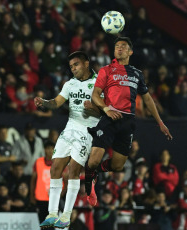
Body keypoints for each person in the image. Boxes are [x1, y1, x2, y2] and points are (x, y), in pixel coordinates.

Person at [84, 37, 172, 200]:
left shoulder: (137, 74)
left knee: (118, 165)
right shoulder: (106, 70)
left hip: (128, 121)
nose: (119, 48)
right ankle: (89, 174)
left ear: (130, 52)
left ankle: (95, 171)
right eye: (117, 46)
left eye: (123, 46)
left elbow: (147, 99)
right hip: (109, 117)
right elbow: (95, 95)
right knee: (94, 159)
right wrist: (105, 109)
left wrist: (160, 122)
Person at [34, 51, 101, 229]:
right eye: (71, 66)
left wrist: (93, 108)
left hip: (87, 131)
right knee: (55, 167)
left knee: (73, 169)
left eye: (76, 65)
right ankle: (52, 213)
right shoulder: (70, 84)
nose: (73, 69)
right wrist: (44, 102)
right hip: (70, 128)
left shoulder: (98, 84)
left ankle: (66, 215)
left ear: (86, 63)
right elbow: (56, 102)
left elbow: (104, 111)